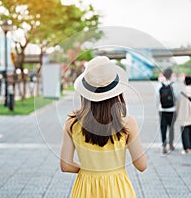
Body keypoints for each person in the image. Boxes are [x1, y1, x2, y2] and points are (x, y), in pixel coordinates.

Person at [60, 56, 147, 197]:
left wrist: (90, 169)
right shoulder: (128, 123)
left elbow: (66, 165)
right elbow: (141, 165)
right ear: (117, 90)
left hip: (86, 190)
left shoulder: (71, 123)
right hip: (118, 189)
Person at [156, 68, 178, 154]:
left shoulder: (159, 86)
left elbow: (157, 99)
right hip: (172, 110)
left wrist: (158, 108)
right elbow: (177, 98)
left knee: (163, 128)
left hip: (162, 110)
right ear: (171, 75)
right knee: (171, 128)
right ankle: (171, 145)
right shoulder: (173, 86)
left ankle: (164, 145)